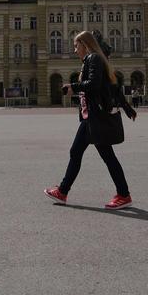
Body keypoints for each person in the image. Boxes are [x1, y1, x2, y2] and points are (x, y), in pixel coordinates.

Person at [45, 30, 137, 209]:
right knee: (79, 153)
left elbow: (94, 85)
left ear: (85, 45)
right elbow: (112, 87)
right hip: (91, 117)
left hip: (95, 117)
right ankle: (63, 191)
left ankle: (123, 194)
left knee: (102, 156)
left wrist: (73, 86)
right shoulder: (92, 60)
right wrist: (127, 108)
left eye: (76, 46)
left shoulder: (93, 58)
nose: (74, 50)